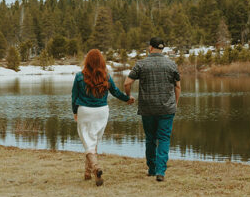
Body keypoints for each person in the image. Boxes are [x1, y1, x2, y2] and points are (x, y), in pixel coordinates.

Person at [71, 48, 134, 186]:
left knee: (88, 142)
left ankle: (95, 168)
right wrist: (127, 98)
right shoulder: (106, 76)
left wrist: (75, 111)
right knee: (93, 142)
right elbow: (116, 92)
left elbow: (74, 97)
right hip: (102, 111)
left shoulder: (79, 76)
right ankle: (87, 173)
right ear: (101, 61)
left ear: (87, 61)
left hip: (85, 111)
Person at [123, 37, 181, 182]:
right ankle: (161, 171)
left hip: (147, 108)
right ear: (162, 49)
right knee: (164, 138)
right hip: (167, 108)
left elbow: (127, 83)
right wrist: (175, 103)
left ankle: (152, 169)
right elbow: (178, 86)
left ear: (150, 48)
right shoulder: (171, 64)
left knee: (150, 138)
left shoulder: (141, 64)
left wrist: (129, 96)